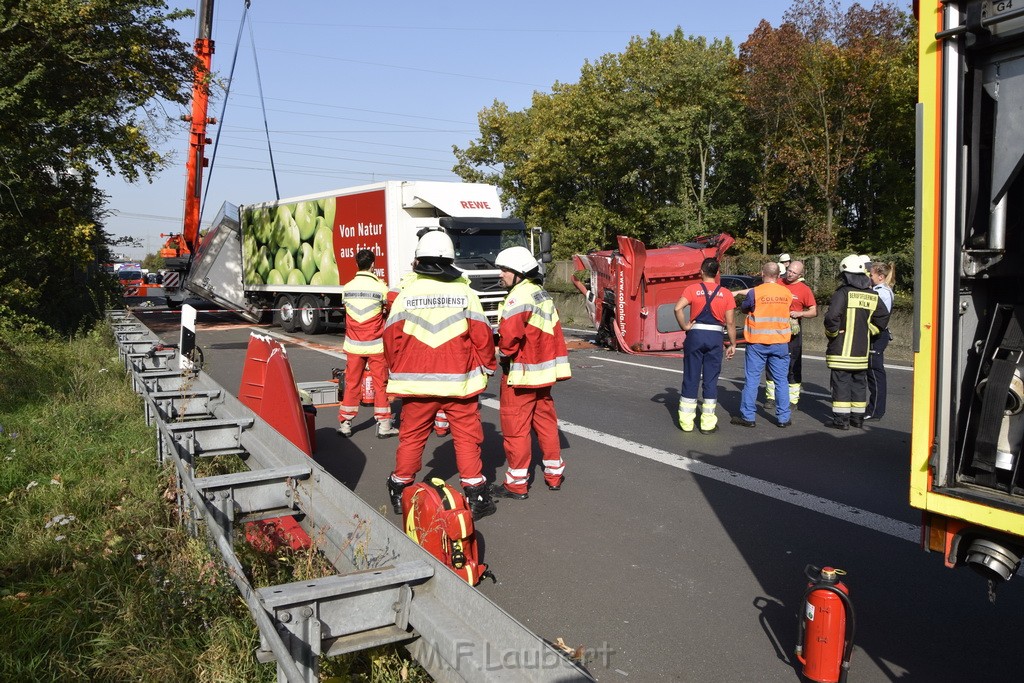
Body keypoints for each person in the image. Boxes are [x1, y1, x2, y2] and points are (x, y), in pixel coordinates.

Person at [383, 230, 498, 519]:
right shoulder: (464, 293)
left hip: (416, 384)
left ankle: (401, 489)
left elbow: (390, 339)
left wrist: (398, 368)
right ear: (450, 259)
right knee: (467, 439)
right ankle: (476, 495)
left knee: (411, 438)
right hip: (459, 384)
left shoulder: (406, 295)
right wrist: (489, 366)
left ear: (419, 259)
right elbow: (482, 336)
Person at [489, 247, 571, 500]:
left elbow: (509, 341)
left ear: (519, 273)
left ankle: (516, 484)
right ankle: (554, 475)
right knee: (546, 426)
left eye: (504, 270)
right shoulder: (541, 294)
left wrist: (497, 348)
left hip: (521, 375)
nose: (500, 275)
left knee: (516, 431)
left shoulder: (518, 297)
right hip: (543, 375)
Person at [823, 255, 890, 429]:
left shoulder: (842, 293)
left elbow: (831, 317)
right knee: (859, 384)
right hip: (862, 351)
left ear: (845, 275)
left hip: (842, 351)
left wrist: (833, 333)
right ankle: (857, 419)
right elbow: (883, 317)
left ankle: (841, 421)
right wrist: (870, 331)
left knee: (841, 384)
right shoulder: (873, 294)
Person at [336, 249, 398, 439]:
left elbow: (347, 311)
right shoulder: (381, 288)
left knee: (352, 383)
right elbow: (388, 311)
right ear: (373, 265)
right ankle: (384, 425)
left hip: (354, 345)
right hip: (376, 345)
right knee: (380, 385)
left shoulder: (347, 288)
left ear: (356, 264)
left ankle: (345, 424)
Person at [673, 257, 737, 434]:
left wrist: (685, 326)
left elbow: (677, 308)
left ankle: (686, 422)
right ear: (717, 273)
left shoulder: (692, 289)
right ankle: (707, 424)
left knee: (691, 377)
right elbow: (730, 323)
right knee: (710, 379)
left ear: (701, 272)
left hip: (695, 335)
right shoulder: (726, 293)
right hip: (715, 336)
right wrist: (732, 344)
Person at [732, 262, 793, 428]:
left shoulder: (755, 292)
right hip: (780, 342)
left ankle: (748, 417)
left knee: (752, 380)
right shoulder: (786, 293)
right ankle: (783, 418)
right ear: (779, 275)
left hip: (757, 342)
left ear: (762, 273)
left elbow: (745, 308)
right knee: (781, 381)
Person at [765, 260, 817, 412]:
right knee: (771, 362)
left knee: (793, 364)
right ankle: (771, 397)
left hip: (792, 332)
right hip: (774, 329)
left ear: (800, 275)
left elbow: (814, 311)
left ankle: (793, 399)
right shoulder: (777, 283)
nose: (790, 274)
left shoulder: (804, 289)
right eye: (789, 270)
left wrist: (800, 313)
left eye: (794, 272)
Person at [866, 261, 895, 421]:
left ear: (880, 276)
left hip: (877, 335)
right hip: (878, 334)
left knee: (875, 374)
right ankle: (875, 408)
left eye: (871, 275)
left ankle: (875, 410)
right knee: (873, 373)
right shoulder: (883, 290)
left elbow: (878, 316)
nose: (869, 277)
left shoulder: (881, 293)